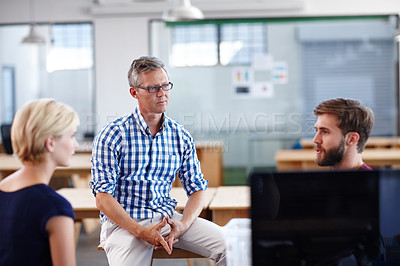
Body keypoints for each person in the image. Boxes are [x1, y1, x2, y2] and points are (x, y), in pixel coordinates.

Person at [90, 56, 226, 266]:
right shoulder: (112, 135)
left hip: (168, 219)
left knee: (234, 247)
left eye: (165, 86)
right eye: (153, 88)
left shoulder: (180, 136)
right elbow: (103, 198)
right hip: (125, 225)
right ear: (134, 92)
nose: (162, 93)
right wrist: (141, 231)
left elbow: (197, 189)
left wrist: (183, 224)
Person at [0, 99, 79, 266]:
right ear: (50, 143)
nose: (76, 144)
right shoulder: (55, 207)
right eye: (72, 136)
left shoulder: (2, 189)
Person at [313, 98, 375, 170]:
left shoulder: (371, 181)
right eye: (316, 130)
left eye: (325, 132)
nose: (315, 140)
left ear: (351, 139)